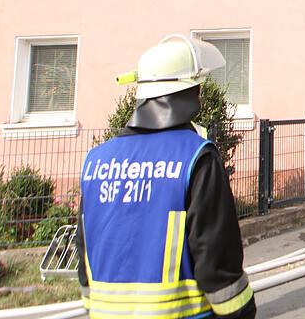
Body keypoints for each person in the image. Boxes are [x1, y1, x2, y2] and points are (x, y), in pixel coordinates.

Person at [77, 35, 255, 319]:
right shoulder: (195, 157)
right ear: (190, 93)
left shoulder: (96, 162)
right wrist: (241, 311)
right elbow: (215, 256)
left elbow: (85, 250)